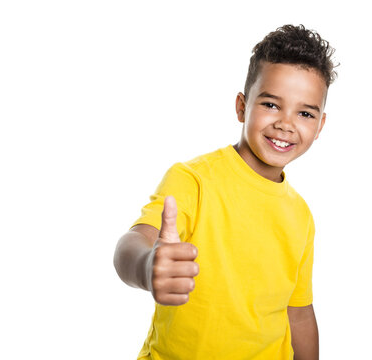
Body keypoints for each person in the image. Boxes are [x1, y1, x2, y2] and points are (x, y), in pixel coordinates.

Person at [113, 24, 338, 360]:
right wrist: (147, 264)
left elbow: (299, 313)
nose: (286, 124)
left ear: (319, 126)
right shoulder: (193, 179)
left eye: (305, 113)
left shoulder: (301, 215)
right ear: (241, 107)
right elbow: (133, 244)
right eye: (272, 105)